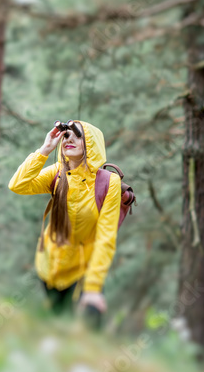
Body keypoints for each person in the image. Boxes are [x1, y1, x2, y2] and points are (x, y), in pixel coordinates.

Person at [8, 120, 121, 330]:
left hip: (84, 270)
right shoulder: (57, 172)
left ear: (92, 143)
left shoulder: (108, 183)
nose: (69, 139)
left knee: (88, 330)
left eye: (78, 135)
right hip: (50, 266)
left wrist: (94, 288)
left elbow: (106, 237)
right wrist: (44, 150)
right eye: (66, 135)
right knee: (56, 326)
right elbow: (17, 185)